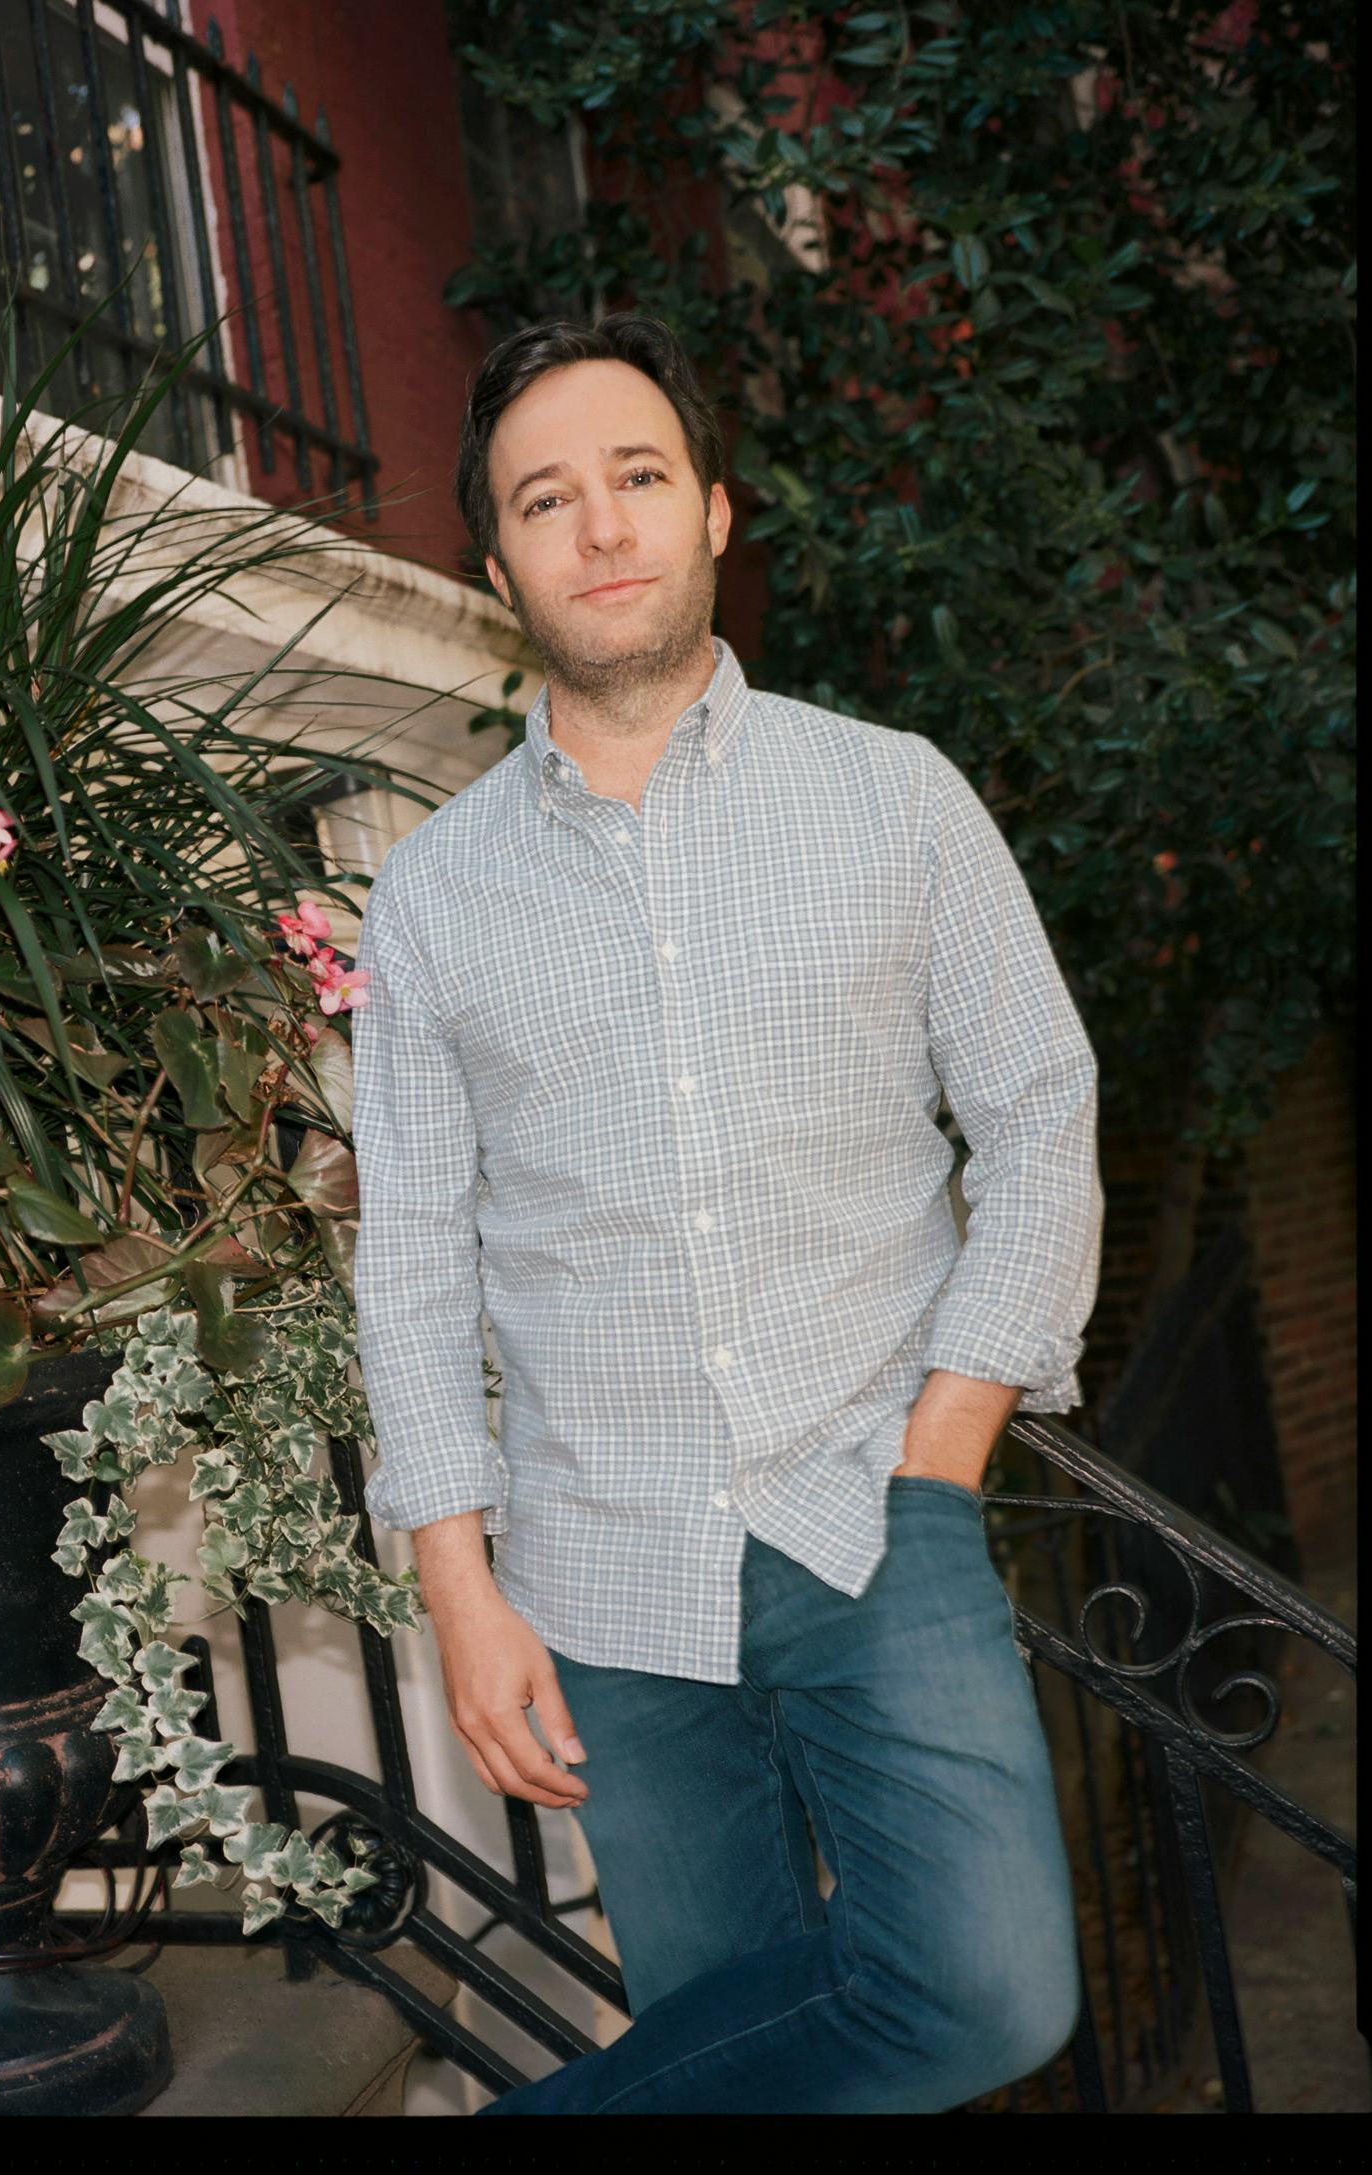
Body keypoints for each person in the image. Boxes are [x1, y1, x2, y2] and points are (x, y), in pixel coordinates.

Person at [347, 312, 1103, 2115]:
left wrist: (947, 1443)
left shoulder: (893, 795)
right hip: (594, 1570)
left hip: (872, 1512)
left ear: (711, 511)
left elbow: (1040, 1116)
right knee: (741, 2045)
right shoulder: (435, 893)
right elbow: (409, 1252)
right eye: (547, 499)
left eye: (635, 479)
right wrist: (458, 1589)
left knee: (993, 1997)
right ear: (497, 565)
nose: (598, 527)